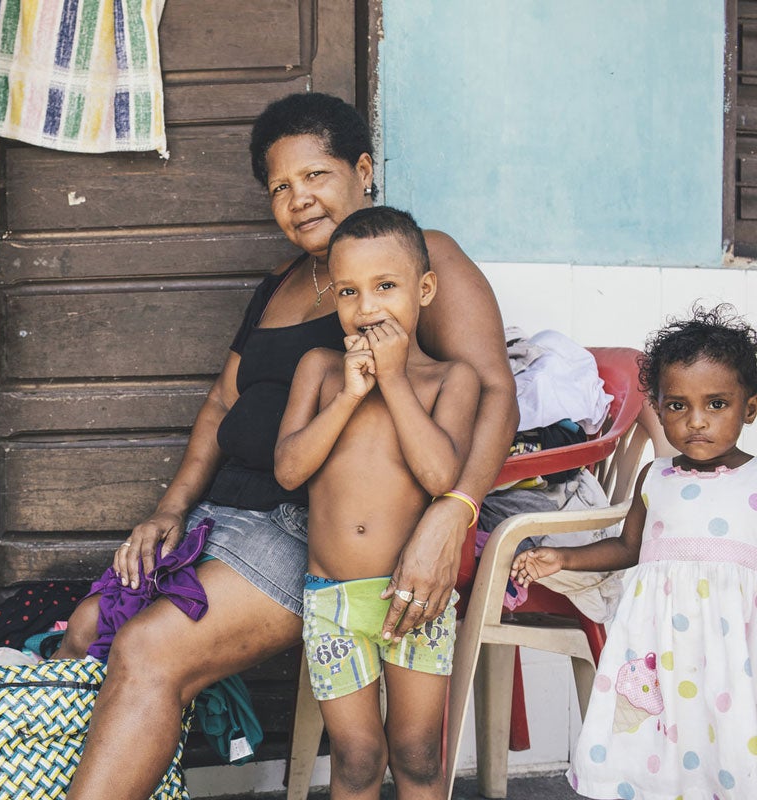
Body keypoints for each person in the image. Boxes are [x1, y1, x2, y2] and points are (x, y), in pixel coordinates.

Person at [58, 92, 519, 800]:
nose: (298, 199)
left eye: (315, 176)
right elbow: (222, 402)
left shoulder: (425, 258)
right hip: (227, 515)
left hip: (308, 527)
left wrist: (451, 513)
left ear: (362, 170)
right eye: (280, 187)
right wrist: (170, 508)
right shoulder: (277, 285)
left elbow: (493, 392)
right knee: (91, 625)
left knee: (151, 649)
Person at [511, 305, 757, 800]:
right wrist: (564, 559)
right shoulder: (656, 479)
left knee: (730, 748)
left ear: (749, 408)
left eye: (716, 404)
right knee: (661, 755)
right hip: (660, 647)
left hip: (734, 653)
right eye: (677, 406)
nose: (695, 422)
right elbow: (628, 547)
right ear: (659, 408)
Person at [275, 206, 479, 799]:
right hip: (334, 600)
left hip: (416, 599)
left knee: (417, 756)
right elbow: (288, 471)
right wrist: (348, 397)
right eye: (348, 291)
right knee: (358, 758)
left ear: (426, 289)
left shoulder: (449, 380)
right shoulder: (319, 370)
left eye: (385, 287)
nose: (366, 309)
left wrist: (391, 380)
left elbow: (442, 473)